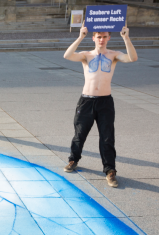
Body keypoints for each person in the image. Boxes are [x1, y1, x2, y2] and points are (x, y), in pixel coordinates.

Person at [63, 24, 138, 187]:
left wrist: (126, 38)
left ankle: (110, 171)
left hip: (105, 102)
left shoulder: (114, 55)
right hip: (86, 100)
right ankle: (73, 160)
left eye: (104, 37)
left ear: (109, 38)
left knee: (107, 137)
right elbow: (67, 55)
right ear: (94, 38)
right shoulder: (86, 55)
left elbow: (132, 58)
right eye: (99, 36)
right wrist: (80, 36)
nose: (102, 39)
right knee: (79, 134)